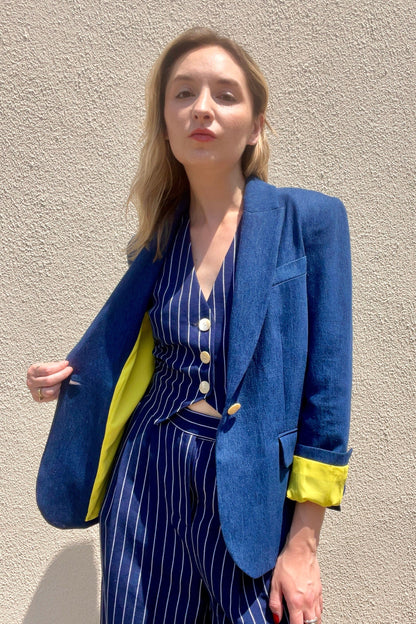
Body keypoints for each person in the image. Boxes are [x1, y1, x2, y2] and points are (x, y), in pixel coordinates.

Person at [27, 27, 352, 624]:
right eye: (183, 93)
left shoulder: (310, 222)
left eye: (225, 94)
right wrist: (68, 379)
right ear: (166, 123)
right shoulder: (158, 239)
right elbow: (124, 352)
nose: (202, 108)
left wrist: (303, 548)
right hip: (147, 479)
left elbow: (326, 395)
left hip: (252, 496)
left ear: (255, 126)